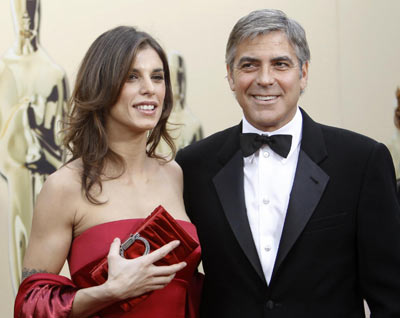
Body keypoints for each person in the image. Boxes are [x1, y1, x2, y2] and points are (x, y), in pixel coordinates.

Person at [176, 9, 400, 317]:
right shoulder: (193, 165)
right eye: (249, 65)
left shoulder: (361, 161)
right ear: (230, 75)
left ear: (303, 73)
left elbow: (391, 297)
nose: (265, 79)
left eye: (280, 64)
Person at [14, 26, 202, 318]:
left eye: (157, 77)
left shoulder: (176, 174)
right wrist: (109, 292)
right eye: (131, 77)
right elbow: (30, 305)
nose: (149, 89)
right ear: (101, 85)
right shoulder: (65, 186)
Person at [0, 0, 68, 291]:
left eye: (31, 9)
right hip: (13, 170)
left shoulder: (54, 73)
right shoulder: (5, 69)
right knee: (18, 241)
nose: (26, 17)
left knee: (42, 251)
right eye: (20, 9)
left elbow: (64, 136)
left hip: (46, 174)